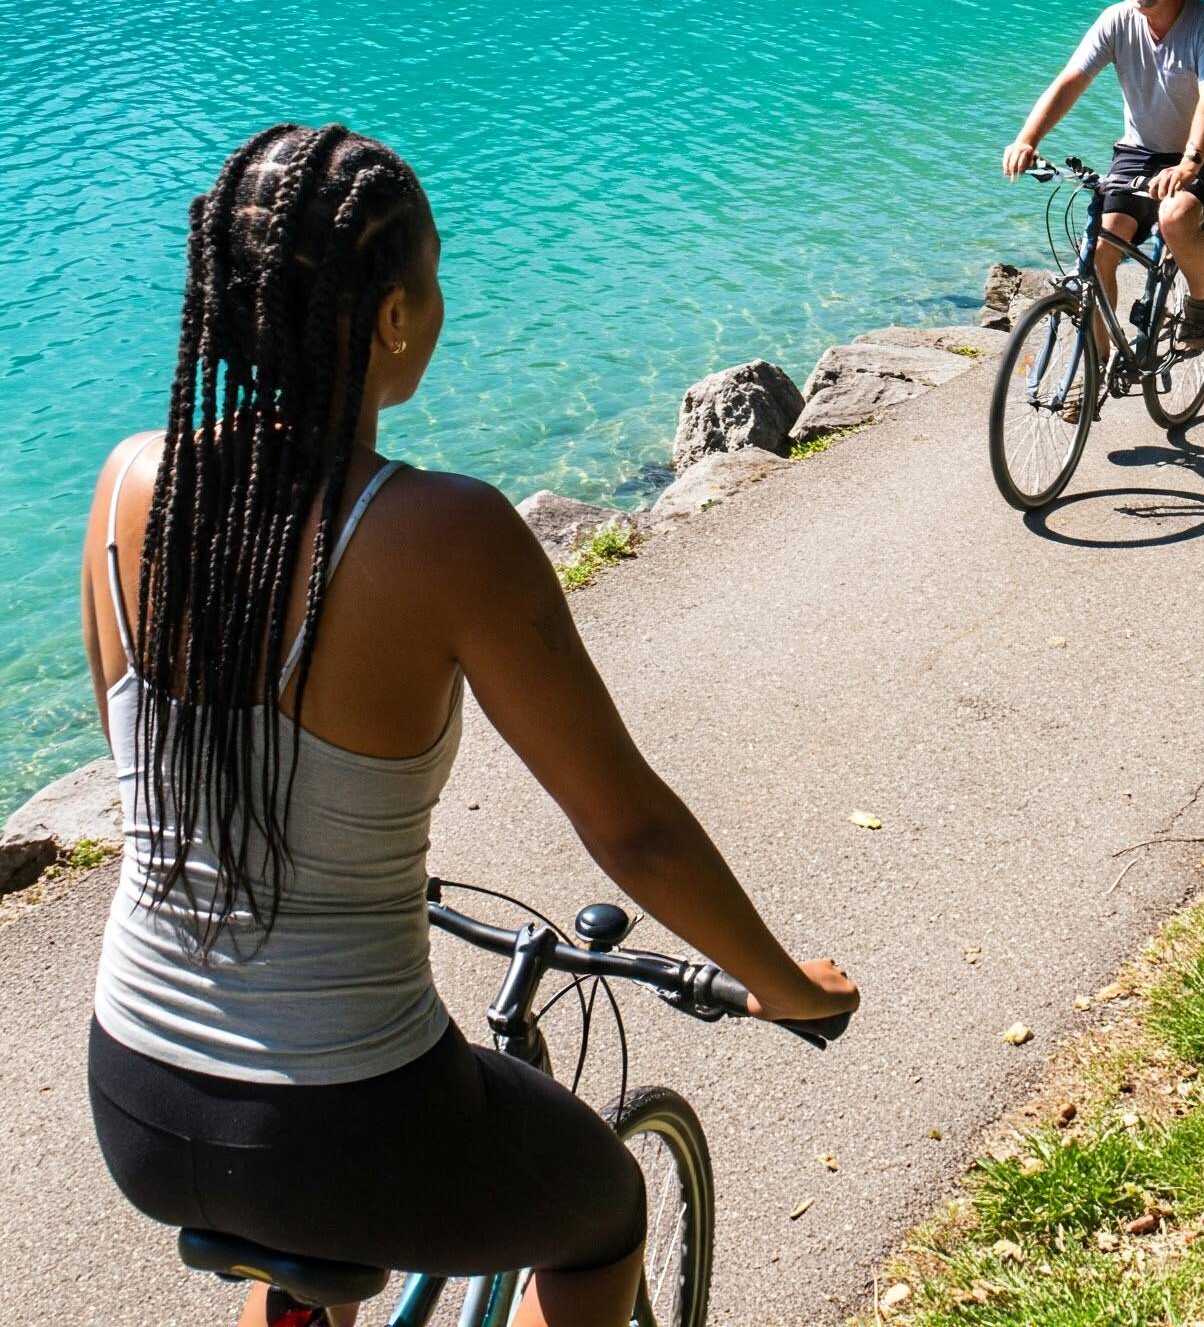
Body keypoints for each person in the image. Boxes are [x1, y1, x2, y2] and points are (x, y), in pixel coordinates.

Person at [83, 126, 859, 1327]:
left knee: (305, 1243)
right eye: (435, 277)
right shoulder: (445, 533)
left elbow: (153, 774)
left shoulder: (132, 481)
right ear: (393, 316)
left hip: (137, 1090)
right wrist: (780, 984)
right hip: (343, 1111)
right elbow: (633, 830)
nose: (442, 305)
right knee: (601, 1215)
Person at [1003, 0, 1204, 366]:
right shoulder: (1116, 19)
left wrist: (1189, 165)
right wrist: (1027, 139)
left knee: (1176, 216)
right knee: (1098, 250)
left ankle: (1200, 305)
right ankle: (1097, 369)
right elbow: (1072, 80)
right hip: (1141, 150)